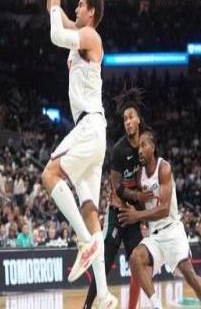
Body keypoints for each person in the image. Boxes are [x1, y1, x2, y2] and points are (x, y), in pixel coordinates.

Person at [41, 0, 117, 308]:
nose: (77, 8)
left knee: (50, 175)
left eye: (81, 5)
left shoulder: (89, 36)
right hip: (92, 130)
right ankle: (102, 293)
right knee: (89, 208)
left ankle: (85, 243)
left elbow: (56, 33)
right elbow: (52, 10)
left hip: (89, 125)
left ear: (91, 13)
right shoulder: (80, 33)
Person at [119, 130, 201, 309]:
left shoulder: (164, 168)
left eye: (143, 145)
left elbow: (164, 209)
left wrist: (137, 216)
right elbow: (143, 205)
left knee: (190, 275)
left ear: (152, 147)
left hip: (172, 229)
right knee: (135, 258)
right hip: (154, 235)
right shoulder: (139, 175)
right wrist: (129, 203)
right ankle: (157, 306)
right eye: (138, 147)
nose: (139, 150)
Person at [83, 87, 151, 309]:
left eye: (131, 117)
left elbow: (148, 176)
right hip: (117, 213)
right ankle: (87, 306)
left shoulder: (147, 146)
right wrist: (139, 196)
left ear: (138, 119)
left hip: (134, 216)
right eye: (124, 119)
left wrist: (144, 211)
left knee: (138, 265)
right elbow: (118, 187)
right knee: (105, 264)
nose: (127, 122)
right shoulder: (119, 150)